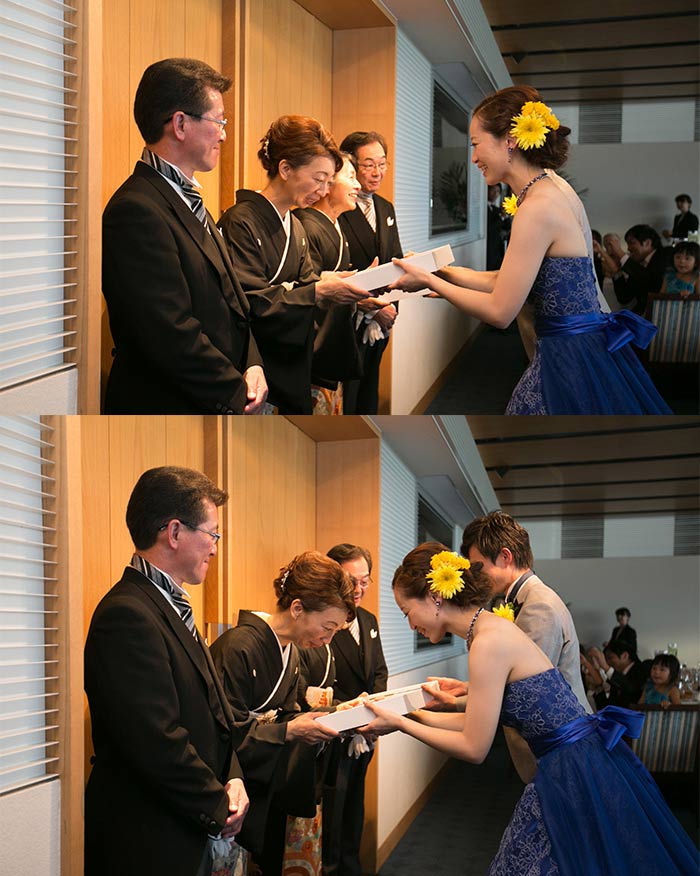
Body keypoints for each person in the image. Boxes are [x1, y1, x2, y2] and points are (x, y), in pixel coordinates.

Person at [360, 543, 699, 876]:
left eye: (406, 612)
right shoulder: (490, 629)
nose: (410, 624)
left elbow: (474, 747)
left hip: (569, 771)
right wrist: (407, 714)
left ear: (436, 597)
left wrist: (401, 725)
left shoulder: (487, 642)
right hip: (577, 760)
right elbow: (477, 721)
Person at [388, 86, 671, 415]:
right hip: (578, 346)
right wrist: (439, 272)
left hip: (569, 354)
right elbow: (505, 280)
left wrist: (430, 281)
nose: (474, 158)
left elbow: (500, 311)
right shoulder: (546, 191)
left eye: (476, 144)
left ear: (509, 141)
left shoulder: (538, 206)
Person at [84, 466, 250, 876]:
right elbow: (155, 740)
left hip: (184, 824)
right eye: (212, 535)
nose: (215, 549)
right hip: (149, 839)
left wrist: (234, 779)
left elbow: (215, 712)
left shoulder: (172, 606)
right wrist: (219, 806)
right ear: (174, 532)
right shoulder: (127, 614)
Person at [102, 58, 267, 414]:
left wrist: (253, 363)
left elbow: (232, 299)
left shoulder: (189, 198)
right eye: (218, 122)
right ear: (180, 124)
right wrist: (237, 391)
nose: (223, 134)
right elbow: (168, 332)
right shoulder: (136, 210)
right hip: (170, 404)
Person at [210, 551, 355, 875]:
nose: (328, 639)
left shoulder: (292, 654)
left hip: (264, 779)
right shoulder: (238, 647)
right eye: (327, 627)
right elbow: (224, 732)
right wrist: (289, 730)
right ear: (297, 608)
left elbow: (287, 715)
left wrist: (335, 715)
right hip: (231, 783)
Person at [218, 115, 369, 414]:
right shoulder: (241, 222)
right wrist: (317, 291)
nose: (323, 191)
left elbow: (306, 283)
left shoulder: (295, 226)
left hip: (290, 363)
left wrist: (340, 284)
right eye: (318, 179)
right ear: (285, 169)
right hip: (256, 364)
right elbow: (250, 302)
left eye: (328, 182)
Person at [428, 512, 590, 781]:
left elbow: (527, 694)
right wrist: (467, 687)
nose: (476, 577)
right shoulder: (527, 599)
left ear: (505, 556)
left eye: (478, 567)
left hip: (560, 748)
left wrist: (456, 703)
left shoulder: (538, 606)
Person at [324, 543, 388, 876]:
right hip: (333, 735)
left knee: (354, 808)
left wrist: (374, 715)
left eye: (365, 581)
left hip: (366, 734)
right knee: (332, 814)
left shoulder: (368, 619)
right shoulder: (324, 622)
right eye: (351, 581)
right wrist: (352, 717)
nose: (359, 589)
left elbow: (379, 672)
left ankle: (352, 868)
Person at [295, 153, 364, 414]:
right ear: (327, 183)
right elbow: (308, 289)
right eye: (351, 177)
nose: (358, 185)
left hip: (334, 340)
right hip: (315, 350)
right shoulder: (308, 225)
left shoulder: (335, 225)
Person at [338, 131, 402, 414]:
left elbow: (394, 260)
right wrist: (373, 309)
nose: (377, 172)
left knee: (368, 397)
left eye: (382, 163)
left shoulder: (385, 208)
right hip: (349, 321)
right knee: (347, 402)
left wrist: (389, 309)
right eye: (368, 165)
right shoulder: (339, 206)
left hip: (383, 319)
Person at [605, 224, 666, 316]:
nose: (628, 248)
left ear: (647, 243)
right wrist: (616, 272)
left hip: (659, 314)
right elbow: (624, 297)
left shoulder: (664, 256)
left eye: (632, 243)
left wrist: (620, 253)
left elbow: (651, 282)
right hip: (640, 315)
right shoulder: (637, 264)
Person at [588, 640, 649, 709]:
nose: (607, 662)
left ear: (625, 656)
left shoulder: (641, 669)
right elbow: (610, 703)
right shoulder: (616, 674)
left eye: (610, 658)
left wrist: (606, 667)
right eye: (606, 659)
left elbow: (631, 688)